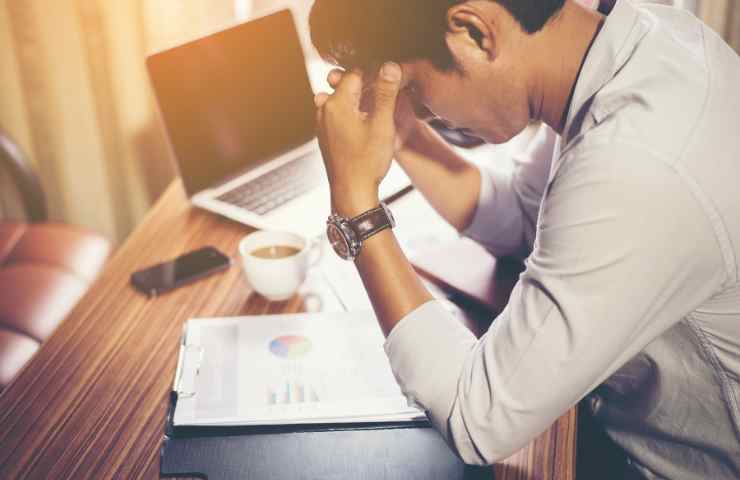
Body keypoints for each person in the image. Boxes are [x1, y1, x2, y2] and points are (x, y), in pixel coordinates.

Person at [309, 0, 740, 478]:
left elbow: (478, 419)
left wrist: (355, 203)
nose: (422, 111)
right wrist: (403, 134)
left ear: (473, 33)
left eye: (412, 88)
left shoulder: (636, 160)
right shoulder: (633, 42)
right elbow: (519, 217)